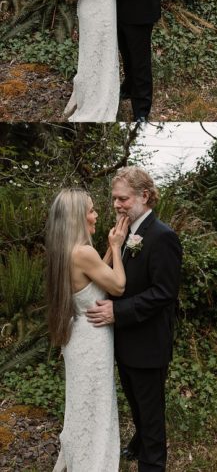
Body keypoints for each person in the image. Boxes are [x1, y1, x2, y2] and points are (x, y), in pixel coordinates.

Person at [86, 167, 182, 472]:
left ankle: (152, 462)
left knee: (151, 412)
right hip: (124, 341)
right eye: (114, 198)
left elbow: (164, 293)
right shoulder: (125, 232)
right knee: (137, 404)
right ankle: (138, 442)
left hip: (148, 344)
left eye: (123, 198)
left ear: (144, 195)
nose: (116, 204)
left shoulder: (163, 236)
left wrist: (118, 312)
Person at [46, 188, 130, 471]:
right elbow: (117, 285)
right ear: (77, 217)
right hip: (93, 340)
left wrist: (106, 249)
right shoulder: (83, 252)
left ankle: (80, 454)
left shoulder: (63, 250)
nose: (95, 215)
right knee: (96, 405)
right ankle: (92, 462)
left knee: (83, 403)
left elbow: (94, 280)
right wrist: (117, 247)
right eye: (91, 210)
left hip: (77, 336)